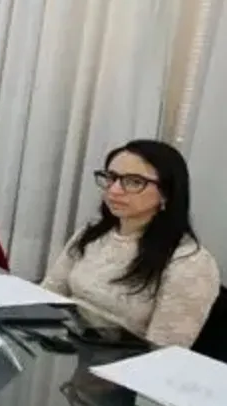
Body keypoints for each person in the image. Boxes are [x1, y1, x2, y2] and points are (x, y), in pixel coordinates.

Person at [41, 139, 220, 347]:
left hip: (123, 361)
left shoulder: (189, 262)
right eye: (111, 178)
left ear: (166, 194)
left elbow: (163, 351)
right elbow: (47, 295)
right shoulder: (91, 234)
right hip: (63, 346)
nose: (114, 190)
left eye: (134, 182)